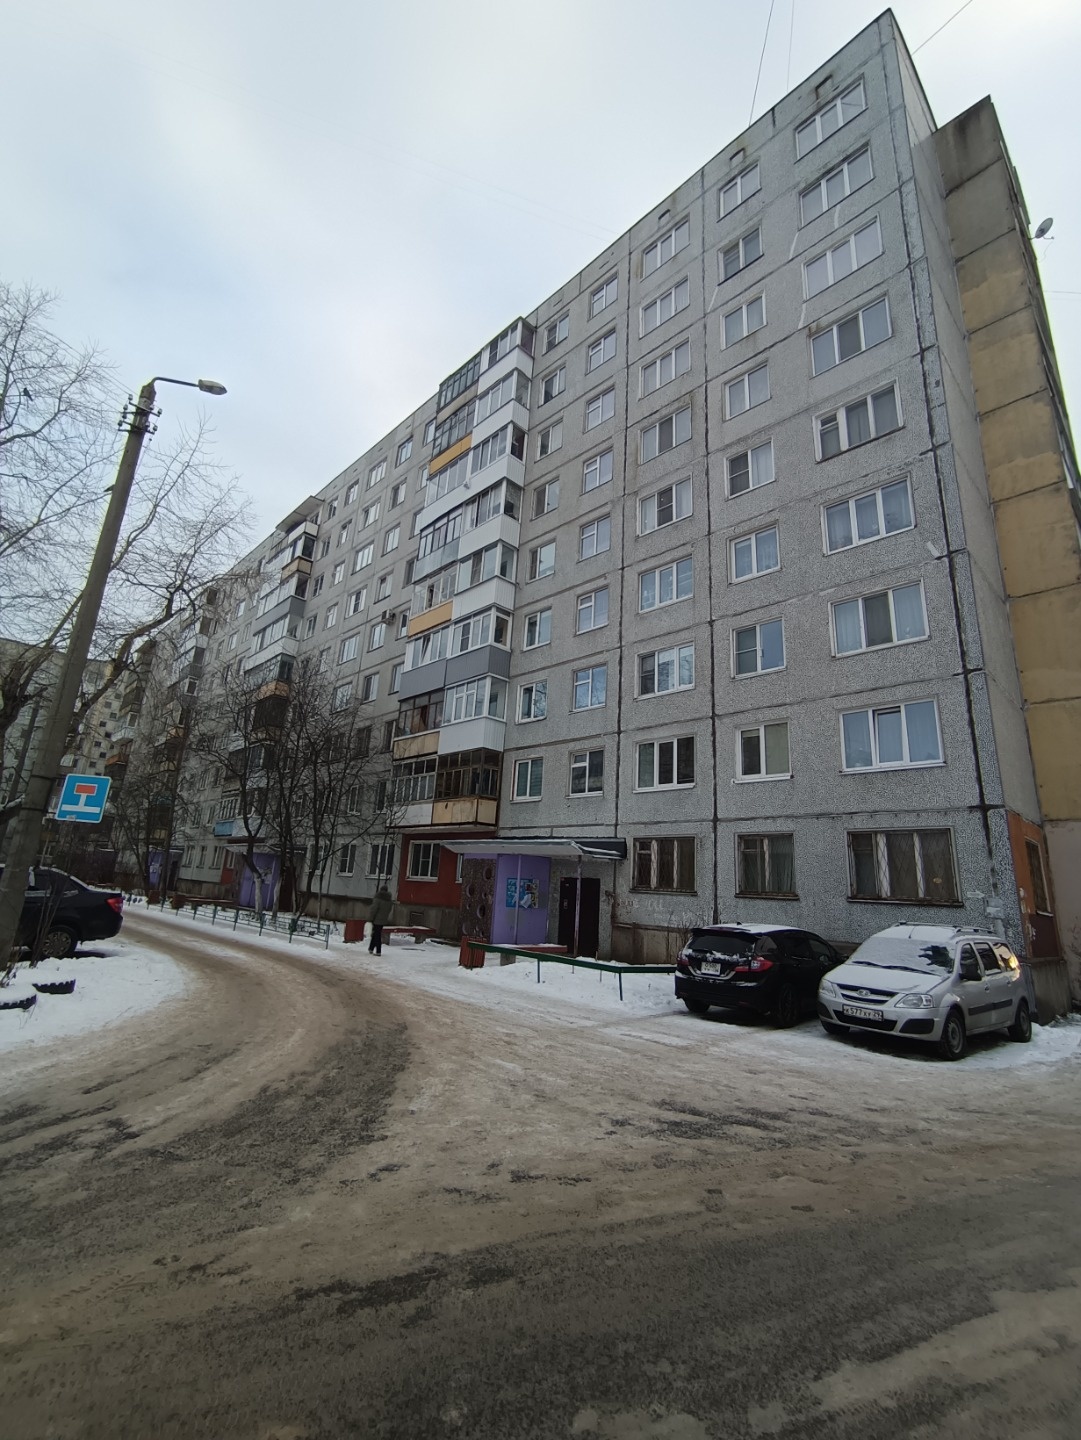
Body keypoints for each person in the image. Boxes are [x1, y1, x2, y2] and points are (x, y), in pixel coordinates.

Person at [368, 886, 393, 955]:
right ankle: (371, 948)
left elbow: (373, 910)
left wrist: (371, 918)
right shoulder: (389, 901)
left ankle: (378, 951)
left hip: (376, 919)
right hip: (383, 920)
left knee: (377, 935)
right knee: (376, 933)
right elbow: (389, 910)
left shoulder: (378, 899)